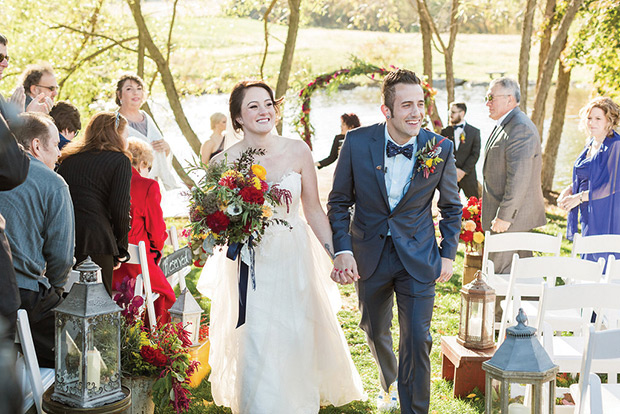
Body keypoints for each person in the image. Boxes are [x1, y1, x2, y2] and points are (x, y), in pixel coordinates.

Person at [196, 80, 364, 413]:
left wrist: (337, 254)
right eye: (253, 106)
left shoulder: (298, 150)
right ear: (238, 118)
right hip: (248, 261)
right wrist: (220, 227)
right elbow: (204, 217)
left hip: (292, 255)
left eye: (268, 104)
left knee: (295, 334)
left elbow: (313, 208)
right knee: (255, 337)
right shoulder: (223, 162)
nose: (264, 111)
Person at [327, 69, 462, 413]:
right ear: (386, 110)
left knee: (417, 339)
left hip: (417, 256)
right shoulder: (356, 143)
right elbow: (339, 202)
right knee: (374, 330)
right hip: (367, 254)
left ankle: (413, 408)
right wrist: (343, 249)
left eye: (420, 104)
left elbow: (450, 207)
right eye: (406, 105)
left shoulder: (440, 147)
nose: (416, 112)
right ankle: (393, 384)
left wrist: (447, 255)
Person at [0, 112, 74, 368]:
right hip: (24, 296)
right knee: (81, 351)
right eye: (55, 144)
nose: (59, 153)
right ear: (36, 145)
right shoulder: (54, 183)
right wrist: (56, 290)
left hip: (11, 294)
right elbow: (62, 257)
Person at [57, 112, 132, 295]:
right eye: (126, 135)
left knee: (67, 302)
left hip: (64, 239)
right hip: (98, 241)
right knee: (98, 308)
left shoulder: (68, 160)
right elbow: (120, 210)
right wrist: (120, 248)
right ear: (115, 135)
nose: (127, 140)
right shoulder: (120, 161)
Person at [481, 77, 546, 274]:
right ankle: (521, 306)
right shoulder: (506, 124)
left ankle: (500, 307)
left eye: (492, 97)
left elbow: (519, 177)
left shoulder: (520, 128)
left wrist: (504, 216)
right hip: (508, 220)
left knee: (498, 274)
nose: (487, 102)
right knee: (520, 277)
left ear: (509, 99)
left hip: (510, 221)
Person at [113, 138, 175, 324]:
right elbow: (156, 231)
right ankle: (154, 340)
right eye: (148, 167)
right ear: (141, 163)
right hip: (136, 267)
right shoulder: (147, 186)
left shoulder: (109, 181)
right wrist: (157, 250)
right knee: (166, 294)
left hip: (110, 267)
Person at [558, 97, 620, 262]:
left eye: (598, 118)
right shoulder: (590, 144)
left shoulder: (616, 145)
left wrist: (577, 198)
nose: (591, 122)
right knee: (589, 258)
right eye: (589, 118)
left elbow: (610, 186)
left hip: (607, 213)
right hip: (589, 211)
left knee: (605, 260)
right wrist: (570, 189)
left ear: (609, 121)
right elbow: (588, 175)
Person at [116, 73, 177, 190]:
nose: (135, 93)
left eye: (139, 89)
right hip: (129, 185)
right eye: (129, 89)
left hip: (153, 185)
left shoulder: (146, 117)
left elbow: (160, 156)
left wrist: (166, 148)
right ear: (119, 94)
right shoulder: (115, 121)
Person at [441, 102, 481, 198]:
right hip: (450, 176)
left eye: (453, 112)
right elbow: (442, 153)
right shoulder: (444, 132)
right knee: (449, 206)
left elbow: (475, 154)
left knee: (474, 207)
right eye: (449, 112)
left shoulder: (474, 132)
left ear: (462, 113)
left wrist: (462, 172)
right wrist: (453, 169)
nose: (450, 115)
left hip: (468, 176)